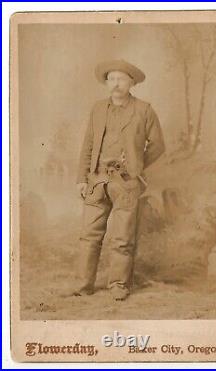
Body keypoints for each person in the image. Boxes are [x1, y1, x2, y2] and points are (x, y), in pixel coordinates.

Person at [75, 59, 165, 301]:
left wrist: (137, 165)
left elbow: (158, 145)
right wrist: (81, 178)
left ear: (131, 82)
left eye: (121, 79)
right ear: (107, 82)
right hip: (96, 181)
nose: (116, 84)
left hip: (126, 183)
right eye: (112, 79)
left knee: (122, 237)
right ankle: (83, 285)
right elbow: (88, 145)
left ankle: (118, 285)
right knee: (89, 235)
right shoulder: (97, 108)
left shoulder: (144, 110)